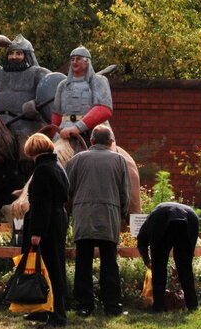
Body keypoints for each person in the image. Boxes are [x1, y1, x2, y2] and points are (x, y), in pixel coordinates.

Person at [65, 126, 130, 317]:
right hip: (109, 215)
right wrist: (122, 214)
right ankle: (112, 305)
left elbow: (68, 189)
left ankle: (84, 305)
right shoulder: (119, 160)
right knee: (109, 262)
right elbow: (125, 193)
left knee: (83, 263)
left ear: (91, 141)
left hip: (84, 216)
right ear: (110, 142)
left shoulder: (77, 160)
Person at [20, 132, 69, 326]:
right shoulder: (57, 166)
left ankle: (56, 314)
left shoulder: (41, 170)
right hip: (58, 219)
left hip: (45, 222)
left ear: (31, 150)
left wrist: (36, 233)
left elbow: (41, 203)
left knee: (48, 269)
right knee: (55, 266)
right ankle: (46, 310)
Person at [0, 34, 55, 139]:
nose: (14, 57)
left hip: (29, 132)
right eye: (11, 53)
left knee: (25, 153)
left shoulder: (39, 74)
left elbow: (55, 96)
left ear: (28, 56)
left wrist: (36, 104)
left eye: (19, 53)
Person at [136, 201, 200, 312]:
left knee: (158, 266)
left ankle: (158, 307)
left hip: (161, 219)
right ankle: (192, 305)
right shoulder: (152, 217)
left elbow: (141, 242)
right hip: (190, 216)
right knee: (185, 267)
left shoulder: (150, 220)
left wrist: (147, 260)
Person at [50, 47, 113, 146]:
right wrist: (54, 134)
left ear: (87, 61)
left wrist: (77, 128)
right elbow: (57, 115)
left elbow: (104, 109)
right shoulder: (63, 85)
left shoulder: (98, 81)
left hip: (95, 132)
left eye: (78, 59)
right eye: (72, 59)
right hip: (64, 131)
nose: (74, 62)